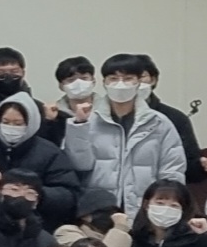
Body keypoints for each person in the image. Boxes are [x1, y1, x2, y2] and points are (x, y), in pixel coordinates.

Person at [63, 55, 185, 221]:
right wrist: (79, 126)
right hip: (99, 210)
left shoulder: (159, 123)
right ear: (104, 82)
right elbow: (78, 165)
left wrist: (165, 207)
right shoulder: (88, 120)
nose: (120, 84)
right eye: (113, 79)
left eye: (128, 79)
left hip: (144, 212)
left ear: (138, 82)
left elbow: (172, 171)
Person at [0, 93, 80, 229]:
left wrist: (35, 193)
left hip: (35, 224)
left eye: (18, 124)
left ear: (31, 123)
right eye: (5, 122)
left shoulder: (49, 152)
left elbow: (69, 195)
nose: (11, 127)